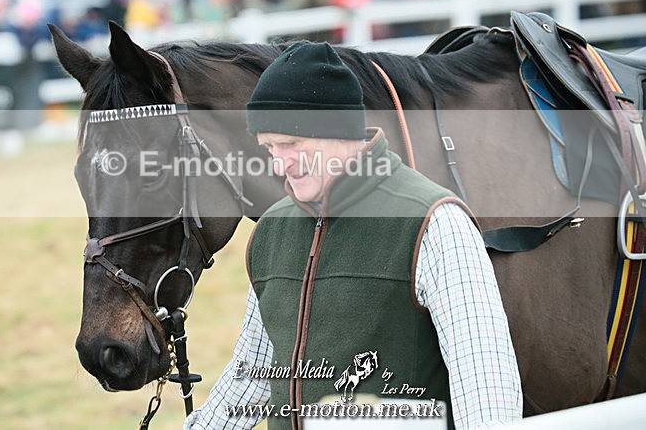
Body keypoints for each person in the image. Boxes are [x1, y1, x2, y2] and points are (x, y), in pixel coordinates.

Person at [184, 41, 522, 429]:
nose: (279, 164)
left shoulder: (436, 223)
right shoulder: (271, 231)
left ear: (341, 130)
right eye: (270, 147)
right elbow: (253, 375)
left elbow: (486, 388)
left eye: (291, 144)